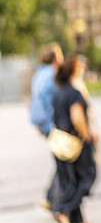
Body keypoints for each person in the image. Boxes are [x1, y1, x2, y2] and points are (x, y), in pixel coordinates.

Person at [49, 54, 98, 223]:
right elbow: (77, 118)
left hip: (60, 142)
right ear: (73, 70)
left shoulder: (59, 92)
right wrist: (88, 136)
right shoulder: (74, 93)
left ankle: (76, 219)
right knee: (88, 176)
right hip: (75, 142)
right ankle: (63, 210)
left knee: (71, 178)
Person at [29, 42, 63, 210]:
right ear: (55, 57)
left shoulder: (39, 74)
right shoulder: (52, 74)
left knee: (60, 160)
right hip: (54, 124)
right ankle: (53, 199)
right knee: (63, 160)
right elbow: (57, 99)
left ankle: (51, 197)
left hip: (43, 123)